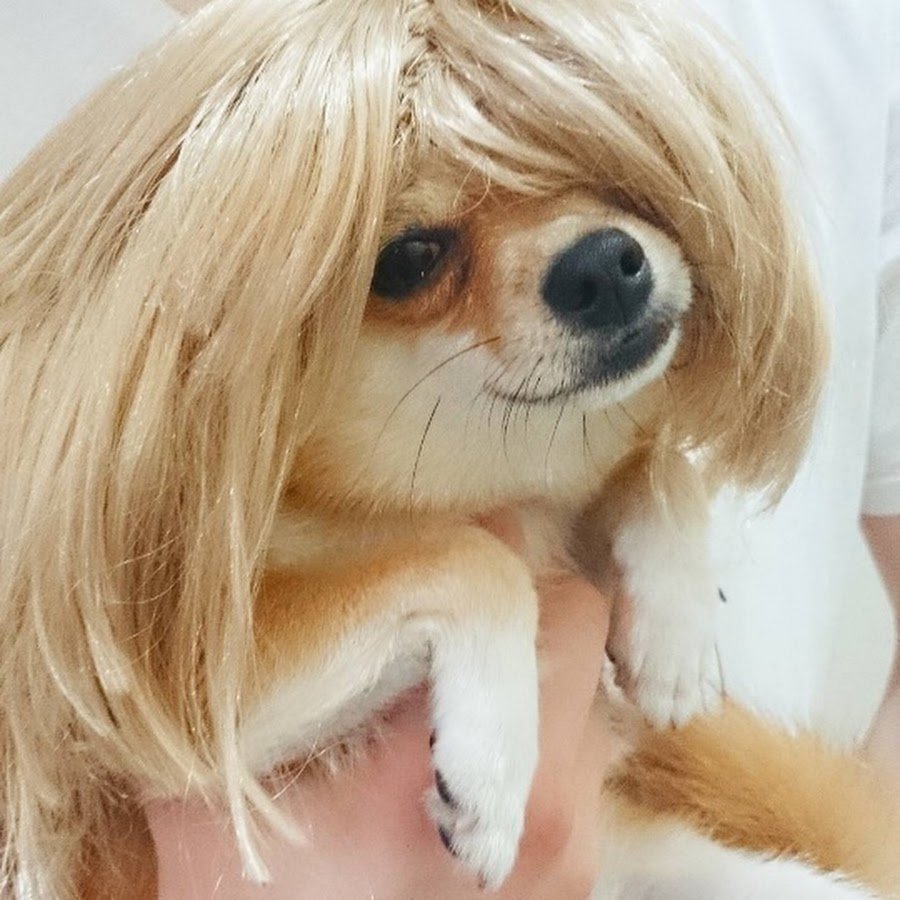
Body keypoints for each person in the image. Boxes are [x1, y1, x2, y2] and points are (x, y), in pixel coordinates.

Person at [1, 0, 898, 896]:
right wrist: (462, 593)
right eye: (416, 262)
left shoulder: (816, 34)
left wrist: (660, 510)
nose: (593, 260)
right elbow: (163, 695)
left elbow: (616, 457)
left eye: (603, 181)